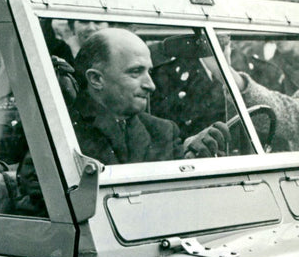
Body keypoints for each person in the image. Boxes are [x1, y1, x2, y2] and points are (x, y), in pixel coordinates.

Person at [70, 29, 229, 165]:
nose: (151, 85)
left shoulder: (163, 130)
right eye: (135, 72)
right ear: (96, 79)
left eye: (149, 72)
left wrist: (192, 160)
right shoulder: (64, 130)